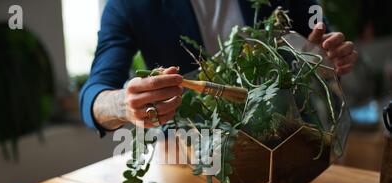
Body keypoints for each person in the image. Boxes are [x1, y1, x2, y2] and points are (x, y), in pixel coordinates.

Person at [79, 0, 358, 136]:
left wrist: (328, 55)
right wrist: (123, 105)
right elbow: (93, 95)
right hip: (193, 157)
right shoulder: (127, 6)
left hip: (289, 139)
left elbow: (319, 35)